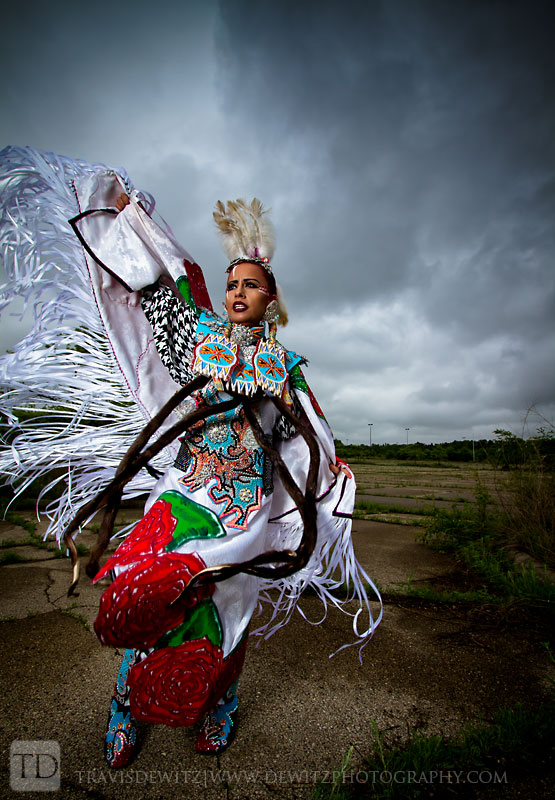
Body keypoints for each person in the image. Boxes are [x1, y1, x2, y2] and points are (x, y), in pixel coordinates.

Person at [0, 148, 381, 770]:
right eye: (231, 283)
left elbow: (314, 434)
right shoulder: (199, 340)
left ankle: (218, 705)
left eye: (250, 284)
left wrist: (328, 470)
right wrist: (130, 222)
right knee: (142, 586)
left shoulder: (285, 367)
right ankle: (126, 700)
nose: (236, 291)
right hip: (184, 495)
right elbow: (162, 288)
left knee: (228, 613)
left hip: (241, 513)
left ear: (271, 297)